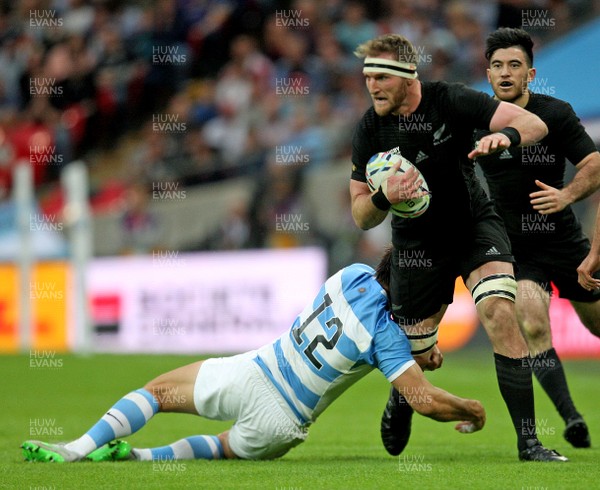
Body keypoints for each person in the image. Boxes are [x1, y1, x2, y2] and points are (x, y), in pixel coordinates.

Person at [21, 248, 486, 463]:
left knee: (157, 392)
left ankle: (77, 450)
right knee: (224, 447)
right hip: (284, 424)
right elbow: (423, 400)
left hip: (257, 369)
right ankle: (139, 459)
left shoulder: (353, 274)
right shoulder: (386, 336)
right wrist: (471, 408)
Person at [349, 34, 567, 462]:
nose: (371, 85)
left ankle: (530, 443)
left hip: (474, 228)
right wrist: (383, 196)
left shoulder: (451, 99)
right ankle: (401, 398)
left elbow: (535, 125)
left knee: (500, 312)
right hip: (416, 247)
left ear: (409, 75)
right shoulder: (370, 128)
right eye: (367, 76)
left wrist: (503, 136)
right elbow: (360, 215)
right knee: (421, 358)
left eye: (380, 76)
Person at [474, 27, 600, 448]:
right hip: (515, 248)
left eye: (514, 65)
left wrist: (566, 195)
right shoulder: (474, 117)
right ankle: (572, 418)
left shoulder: (556, 113)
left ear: (531, 74)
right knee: (531, 322)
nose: (505, 73)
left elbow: (594, 164)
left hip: (565, 243)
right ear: (487, 74)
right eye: (497, 66)